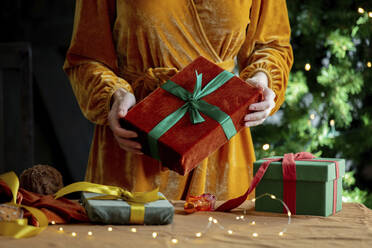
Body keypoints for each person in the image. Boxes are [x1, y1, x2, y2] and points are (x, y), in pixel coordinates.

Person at [63, 0, 293, 200]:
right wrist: (115, 95)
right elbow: (85, 58)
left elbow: (272, 45)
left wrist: (263, 78)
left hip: (220, 137)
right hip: (138, 139)